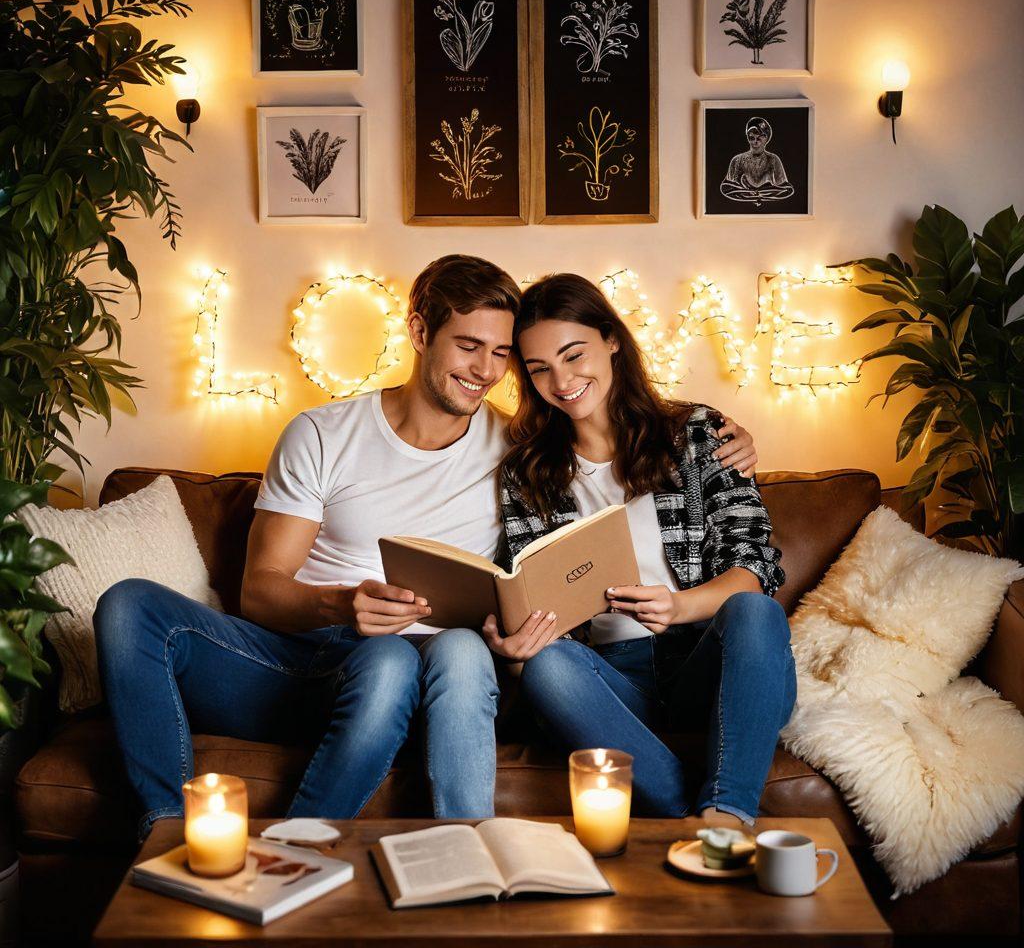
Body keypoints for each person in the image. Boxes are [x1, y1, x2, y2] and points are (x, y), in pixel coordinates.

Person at [94, 255, 760, 838]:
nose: (484, 371)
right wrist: (338, 605)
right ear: (419, 331)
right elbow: (259, 589)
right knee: (128, 604)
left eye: (502, 356)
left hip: (417, 666)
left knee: (408, 657)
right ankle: (163, 829)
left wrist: (715, 433)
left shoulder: (520, 452)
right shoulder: (323, 434)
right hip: (295, 658)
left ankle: (326, 842)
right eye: (468, 345)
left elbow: (601, 450)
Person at [499, 272, 795, 827]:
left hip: (706, 663)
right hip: (610, 678)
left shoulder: (699, 433)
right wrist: (519, 635)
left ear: (612, 340)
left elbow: (756, 566)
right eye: (539, 368)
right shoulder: (528, 472)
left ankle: (725, 816)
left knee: (756, 612)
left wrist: (678, 606)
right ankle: (697, 819)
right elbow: (534, 596)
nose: (561, 381)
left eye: (573, 354)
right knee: (546, 666)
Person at [720, 116, 794, 206]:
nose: (755, 141)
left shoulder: (773, 160)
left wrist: (764, 194)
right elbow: (728, 187)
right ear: (748, 138)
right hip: (741, 206)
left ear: (766, 139)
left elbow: (785, 188)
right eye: (751, 137)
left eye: (759, 138)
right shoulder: (737, 160)